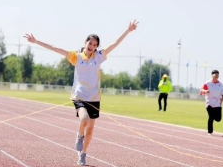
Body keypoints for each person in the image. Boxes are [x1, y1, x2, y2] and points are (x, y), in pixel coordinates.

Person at [24, 20, 138, 166]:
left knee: (90, 130)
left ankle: (83, 154)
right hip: (80, 96)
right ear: (85, 43)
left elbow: (114, 44)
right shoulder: (76, 57)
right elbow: (55, 48)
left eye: (95, 45)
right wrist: (36, 41)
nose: (92, 47)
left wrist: (127, 31)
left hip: (94, 98)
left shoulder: (98, 57)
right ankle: (79, 135)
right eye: (90, 43)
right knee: (84, 120)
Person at [200, 69, 223, 136]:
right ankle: (210, 131)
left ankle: (214, 117)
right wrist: (205, 91)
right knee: (211, 117)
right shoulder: (207, 83)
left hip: (218, 104)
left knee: (218, 119)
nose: (216, 76)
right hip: (209, 103)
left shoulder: (220, 84)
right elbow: (201, 91)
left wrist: (222, 98)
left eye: (217, 75)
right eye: (215, 74)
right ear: (212, 75)